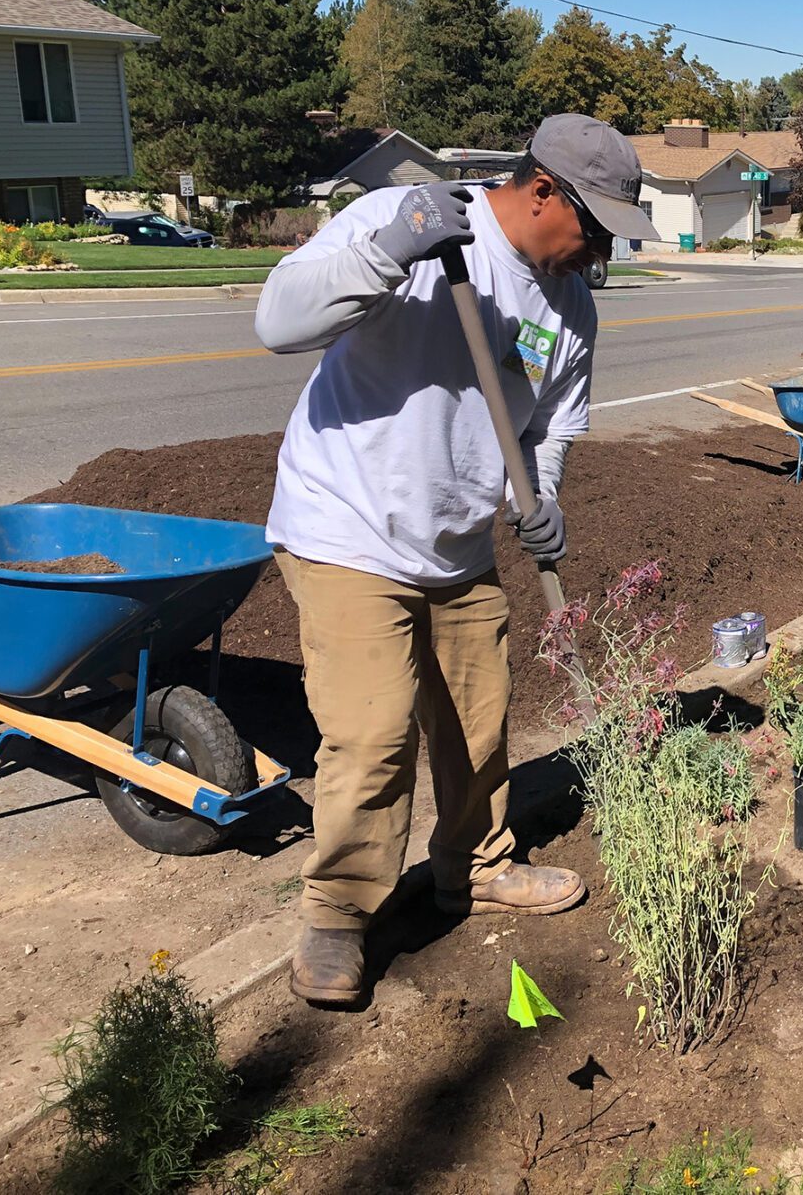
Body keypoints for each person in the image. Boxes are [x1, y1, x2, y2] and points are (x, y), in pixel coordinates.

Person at [255, 114, 659, 1004]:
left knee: (478, 724)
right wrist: (391, 250)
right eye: (591, 231)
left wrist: (542, 496)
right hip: (347, 524)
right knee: (372, 733)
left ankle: (472, 868)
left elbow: (548, 427)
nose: (597, 257)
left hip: (459, 542)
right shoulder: (415, 219)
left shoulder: (572, 305)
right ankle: (337, 916)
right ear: (543, 189)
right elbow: (277, 322)